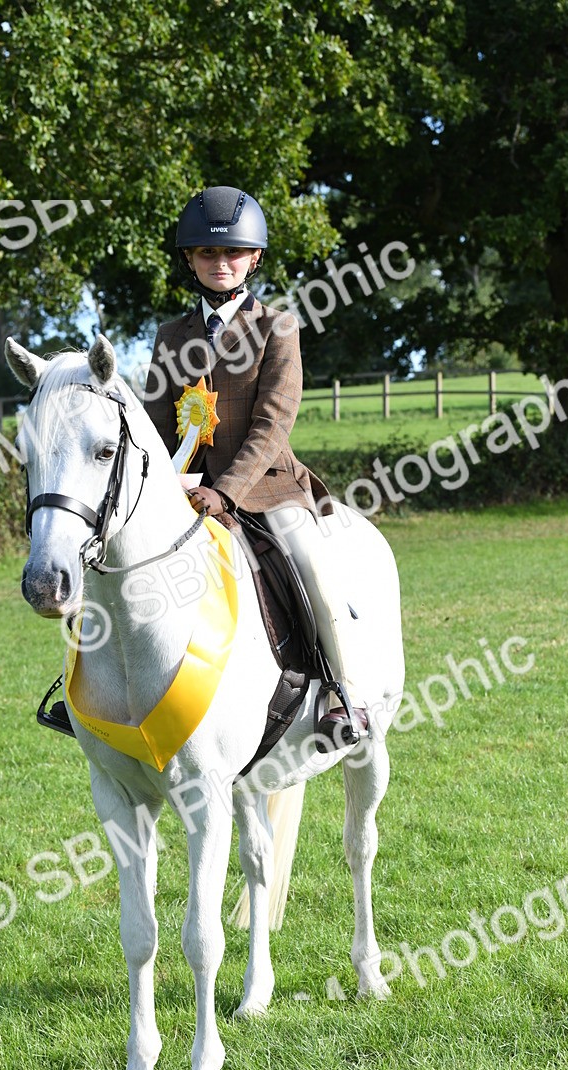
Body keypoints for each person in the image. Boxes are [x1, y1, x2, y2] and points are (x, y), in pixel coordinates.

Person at [143, 186, 368, 749]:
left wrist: (228, 492)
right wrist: (163, 486)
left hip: (267, 490)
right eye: (208, 255)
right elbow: (153, 424)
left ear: (254, 259)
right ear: (190, 261)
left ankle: (344, 692)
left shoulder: (278, 328)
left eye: (233, 254)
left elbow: (273, 424)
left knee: (308, 561)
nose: (221, 264)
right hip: (187, 492)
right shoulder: (170, 337)